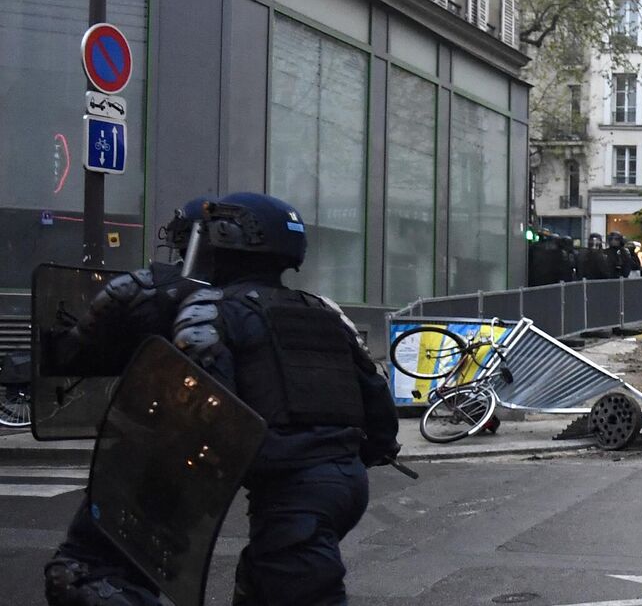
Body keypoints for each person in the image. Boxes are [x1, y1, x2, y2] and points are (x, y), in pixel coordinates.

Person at [169, 192, 401, 604]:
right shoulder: (321, 310)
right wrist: (364, 450)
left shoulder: (213, 310)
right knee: (261, 579)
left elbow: (207, 408)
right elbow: (375, 392)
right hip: (346, 480)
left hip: (293, 492)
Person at [44, 196, 212, 606]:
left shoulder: (153, 290)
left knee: (88, 571)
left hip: (146, 451)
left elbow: (76, 349)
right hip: (222, 466)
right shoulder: (304, 310)